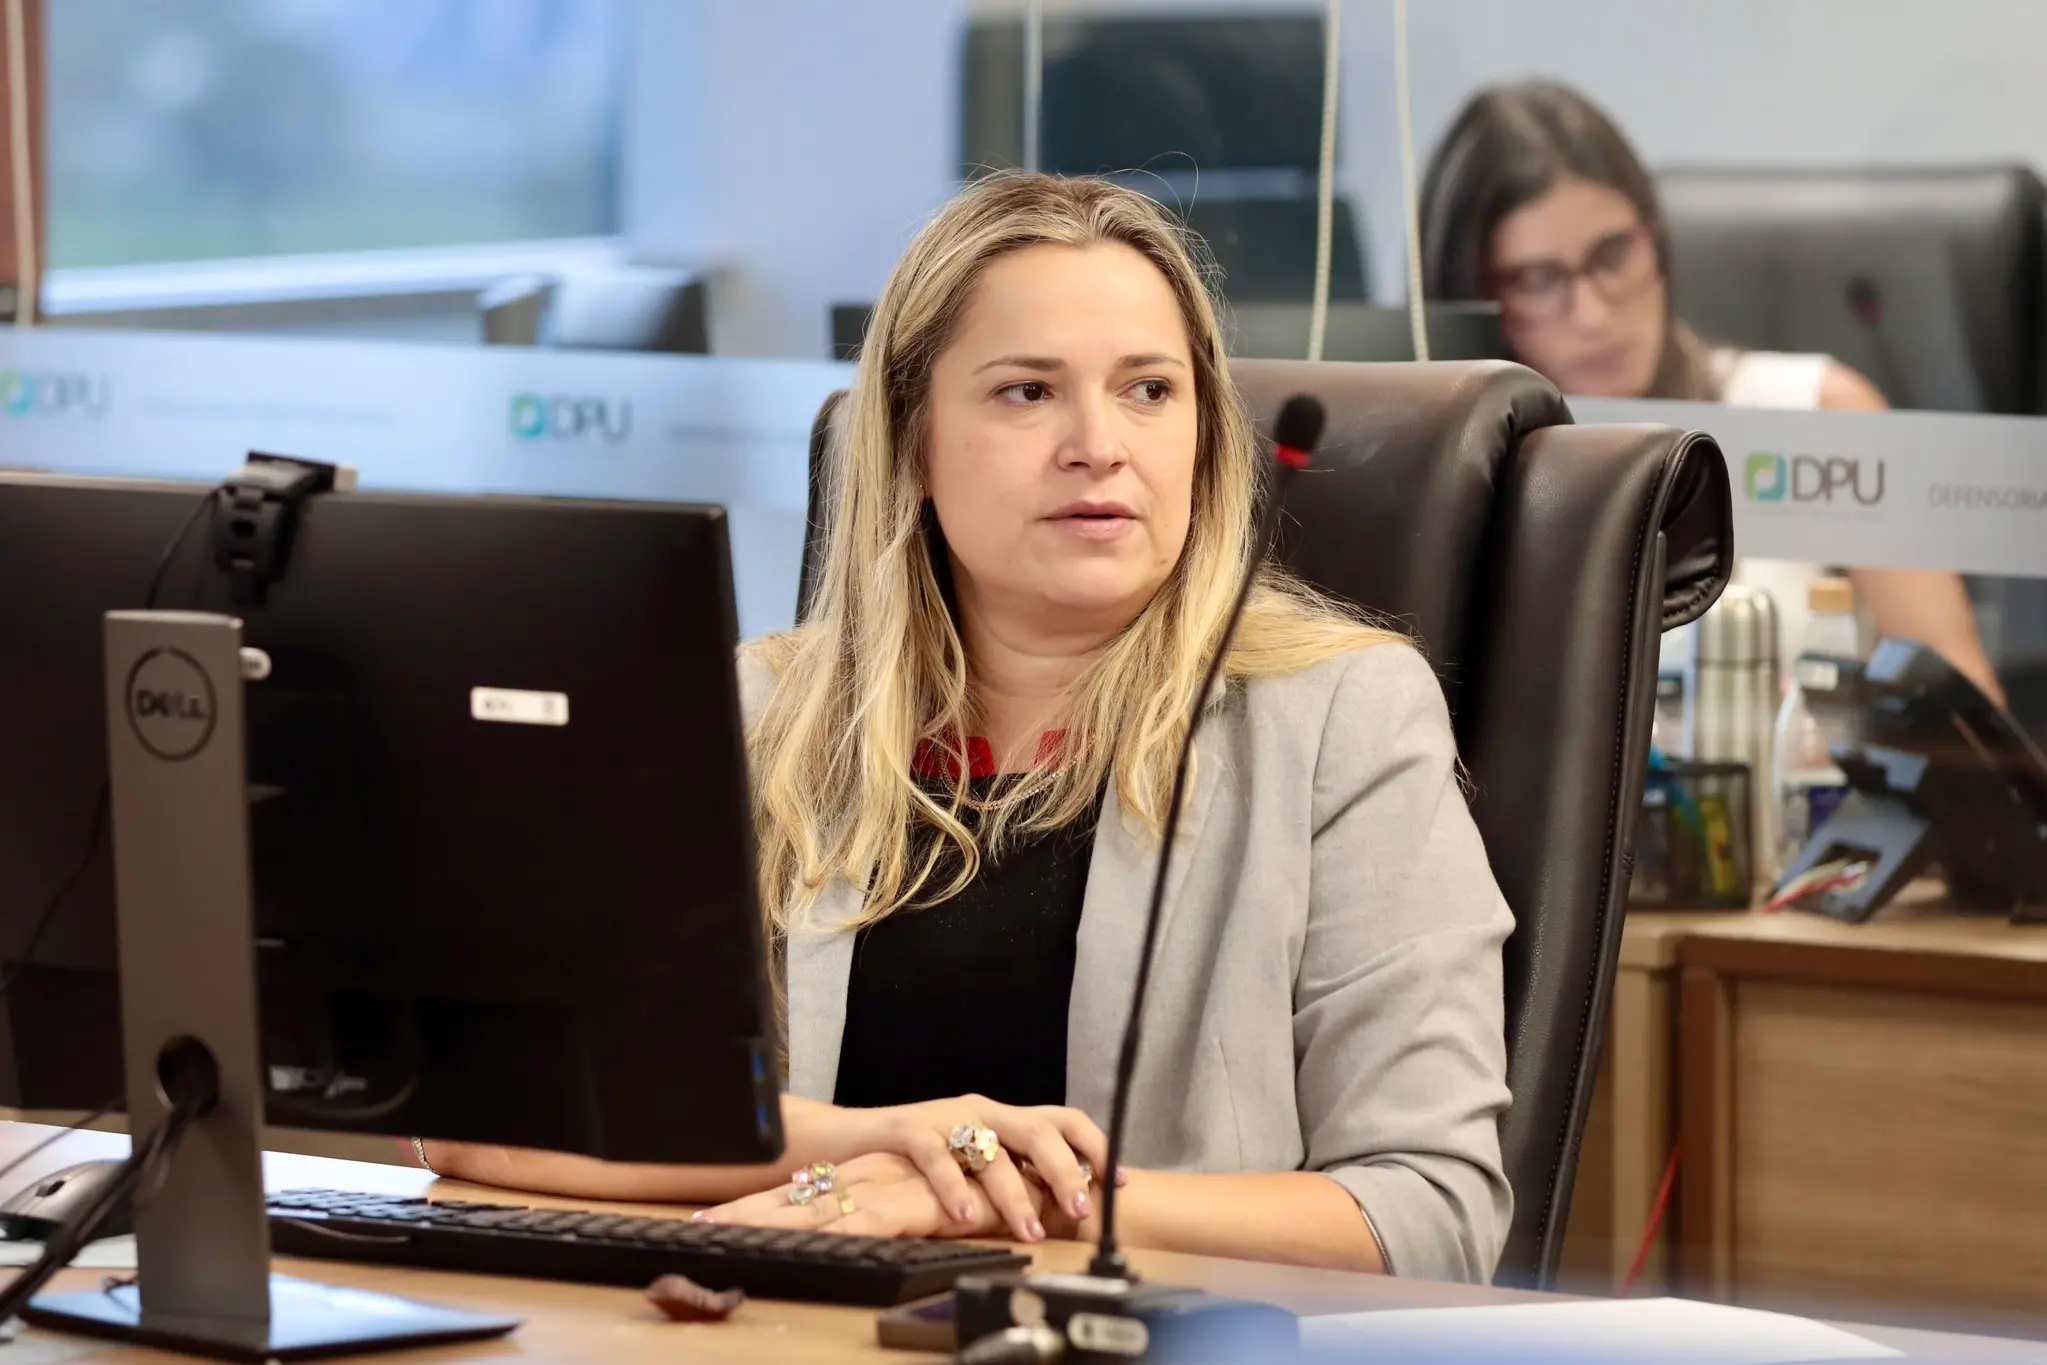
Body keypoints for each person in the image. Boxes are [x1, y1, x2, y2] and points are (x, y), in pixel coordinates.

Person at [419, 173, 1514, 1283]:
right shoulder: (759, 720)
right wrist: (882, 1145)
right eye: (1026, 392)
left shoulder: (1339, 720)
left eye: (1148, 389)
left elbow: (1430, 1213)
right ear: (910, 437)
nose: (1099, 444)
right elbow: (491, 1123)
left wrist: (1003, 1202)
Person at [1419, 80, 2005, 704]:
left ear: (1657, 241)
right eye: (1538, 279)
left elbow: (1965, 723)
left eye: (1613, 254)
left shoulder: (1817, 410)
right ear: (1470, 298)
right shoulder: (1450, 471)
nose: (1592, 313)